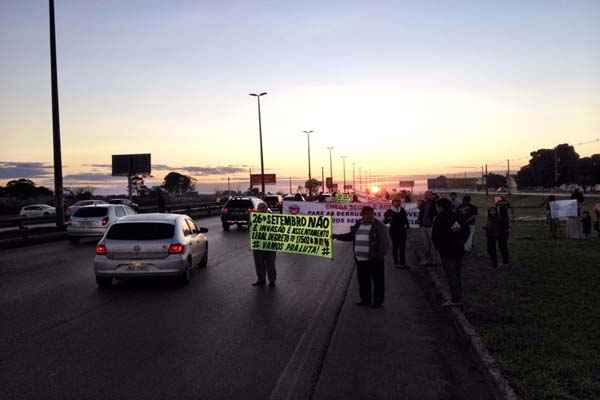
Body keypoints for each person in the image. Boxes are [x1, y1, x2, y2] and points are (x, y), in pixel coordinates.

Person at [333, 206, 389, 308]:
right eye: (366, 214)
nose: (369, 216)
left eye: (371, 214)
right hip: (360, 259)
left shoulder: (379, 226)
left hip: (374, 260)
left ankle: (378, 302)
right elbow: (350, 236)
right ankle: (365, 299)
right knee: (363, 281)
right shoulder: (358, 224)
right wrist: (335, 236)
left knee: (378, 281)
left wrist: (377, 256)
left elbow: (384, 244)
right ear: (362, 215)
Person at [431, 198, 468, 306]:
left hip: (446, 250)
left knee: (451, 274)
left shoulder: (440, 217)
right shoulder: (458, 215)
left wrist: (438, 247)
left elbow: (435, 235)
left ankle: (455, 299)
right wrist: (462, 241)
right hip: (459, 249)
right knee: (457, 273)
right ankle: (458, 296)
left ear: (441, 207)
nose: (436, 209)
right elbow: (466, 230)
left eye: (437, 207)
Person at [252, 203, 277, 287]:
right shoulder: (254, 218)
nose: (261, 210)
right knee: (259, 263)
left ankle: (272, 280)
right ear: (258, 209)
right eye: (260, 208)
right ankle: (261, 279)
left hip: (270, 245)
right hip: (258, 244)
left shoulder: (272, 218)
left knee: (270, 264)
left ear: (266, 209)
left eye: (263, 208)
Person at [384, 196, 410, 268]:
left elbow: (405, 219)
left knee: (402, 247)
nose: (398, 203)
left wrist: (407, 226)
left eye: (399, 202)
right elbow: (385, 221)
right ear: (392, 203)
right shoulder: (389, 211)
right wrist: (388, 219)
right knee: (395, 247)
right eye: (396, 202)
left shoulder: (402, 210)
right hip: (393, 231)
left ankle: (403, 263)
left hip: (402, 231)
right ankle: (396, 262)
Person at [418, 191, 438, 265]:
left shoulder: (435, 203)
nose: (426, 196)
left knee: (433, 244)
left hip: (431, 227)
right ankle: (427, 259)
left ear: (431, 195)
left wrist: (434, 224)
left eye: (428, 195)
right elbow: (420, 212)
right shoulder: (423, 203)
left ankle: (434, 260)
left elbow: (436, 215)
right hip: (423, 226)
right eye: (425, 194)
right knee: (426, 244)